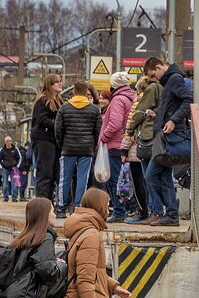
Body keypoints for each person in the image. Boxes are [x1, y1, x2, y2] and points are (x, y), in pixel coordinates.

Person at [142, 56, 190, 226]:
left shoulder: (174, 79)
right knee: (164, 177)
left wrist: (173, 120)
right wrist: (159, 117)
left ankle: (169, 211)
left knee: (150, 175)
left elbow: (188, 100)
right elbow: (175, 105)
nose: (155, 79)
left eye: (153, 75)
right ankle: (171, 214)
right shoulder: (170, 80)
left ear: (159, 67)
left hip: (172, 136)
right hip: (166, 135)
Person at [54, 81, 102, 217]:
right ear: (86, 92)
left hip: (68, 148)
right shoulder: (94, 109)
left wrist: (62, 144)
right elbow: (98, 131)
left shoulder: (64, 108)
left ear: (74, 92)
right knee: (83, 179)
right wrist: (92, 146)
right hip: (86, 149)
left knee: (64, 178)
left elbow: (58, 130)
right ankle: (78, 206)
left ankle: (61, 208)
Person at [122, 74, 159, 224]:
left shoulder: (138, 105)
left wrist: (123, 149)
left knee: (139, 182)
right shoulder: (155, 103)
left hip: (136, 149)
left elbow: (130, 127)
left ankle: (143, 211)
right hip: (149, 146)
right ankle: (153, 211)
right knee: (150, 181)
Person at [99, 72, 135, 223]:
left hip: (115, 144)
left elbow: (114, 123)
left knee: (114, 180)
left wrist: (103, 137)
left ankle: (119, 212)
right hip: (123, 143)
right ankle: (125, 209)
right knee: (124, 179)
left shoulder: (118, 100)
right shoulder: (129, 98)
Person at [30, 74, 64, 202]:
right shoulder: (43, 100)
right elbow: (42, 119)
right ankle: (42, 203)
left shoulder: (59, 101)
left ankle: (49, 202)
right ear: (49, 85)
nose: (60, 84)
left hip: (55, 141)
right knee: (45, 173)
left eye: (60, 81)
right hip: (43, 140)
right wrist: (58, 124)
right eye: (56, 82)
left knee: (54, 174)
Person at [0, 136, 22, 202]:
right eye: (7, 141)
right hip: (5, 169)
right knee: (5, 184)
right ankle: (5, 197)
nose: (9, 142)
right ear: (5, 142)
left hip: (14, 169)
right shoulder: (2, 149)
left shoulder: (15, 149)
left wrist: (17, 166)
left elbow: (19, 158)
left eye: (10, 141)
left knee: (14, 184)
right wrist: (1, 167)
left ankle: (14, 197)